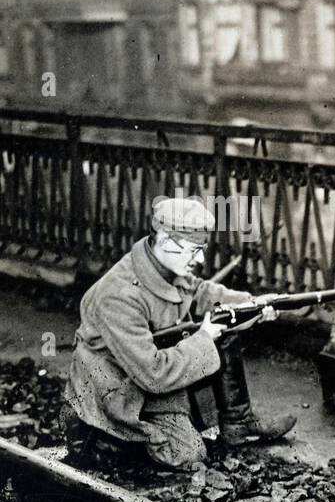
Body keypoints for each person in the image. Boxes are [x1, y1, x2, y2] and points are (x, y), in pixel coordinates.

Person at [63, 197, 296, 471]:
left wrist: (254, 305)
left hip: (143, 384)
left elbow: (201, 292)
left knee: (225, 322)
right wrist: (204, 339)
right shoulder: (118, 296)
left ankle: (238, 422)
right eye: (194, 250)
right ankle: (104, 443)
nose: (200, 259)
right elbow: (153, 373)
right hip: (114, 400)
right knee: (188, 454)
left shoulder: (164, 265)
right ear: (164, 240)